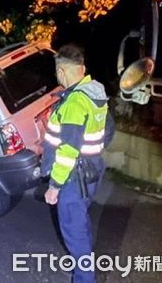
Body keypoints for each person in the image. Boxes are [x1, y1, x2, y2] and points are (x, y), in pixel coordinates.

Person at [41, 44, 115, 283]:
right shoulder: (95, 92)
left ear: (61, 72)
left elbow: (68, 150)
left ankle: (84, 278)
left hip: (73, 177)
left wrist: (54, 186)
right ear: (82, 68)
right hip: (92, 170)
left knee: (74, 232)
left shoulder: (73, 103)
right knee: (80, 225)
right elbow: (108, 129)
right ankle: (82, 269)